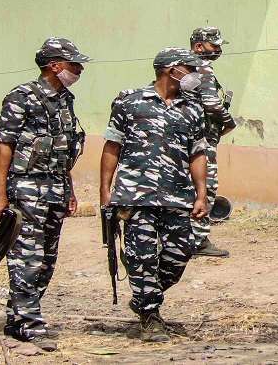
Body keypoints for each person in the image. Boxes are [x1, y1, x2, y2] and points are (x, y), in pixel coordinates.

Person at [100, 48, 211, 342]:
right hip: (136, 195)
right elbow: (112, 147)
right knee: (142, 256)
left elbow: (198, 153)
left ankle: (143, 297)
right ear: (171, 70)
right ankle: (150, 315)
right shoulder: (129, 102)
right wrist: (105, 190)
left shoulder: (193, 108)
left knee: (180, 253)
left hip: (177, 195)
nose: (195, 75)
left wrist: (202, 194)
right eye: (191, 69)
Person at [0, 37, 89, 351]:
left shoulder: (66, 99)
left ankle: (16, 317)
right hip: (27, 188)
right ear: (54, 65)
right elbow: (5, 144)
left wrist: (69, 189)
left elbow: (63, 150)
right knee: (26, 257)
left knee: (46, 259)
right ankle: (29, 323)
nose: (79, 69)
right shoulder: (22, 97)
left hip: (56, 188)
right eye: (74, 64)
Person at [187, 27, 237, 258]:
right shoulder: (202, 67)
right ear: (199, 46)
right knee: (205, 188)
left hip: (188, 139)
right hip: (203, 140)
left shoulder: (183, 67)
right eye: (213, 45)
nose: (217, 50)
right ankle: (198, 241)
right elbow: (212, 104)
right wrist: (229, 123)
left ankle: (185, 239)